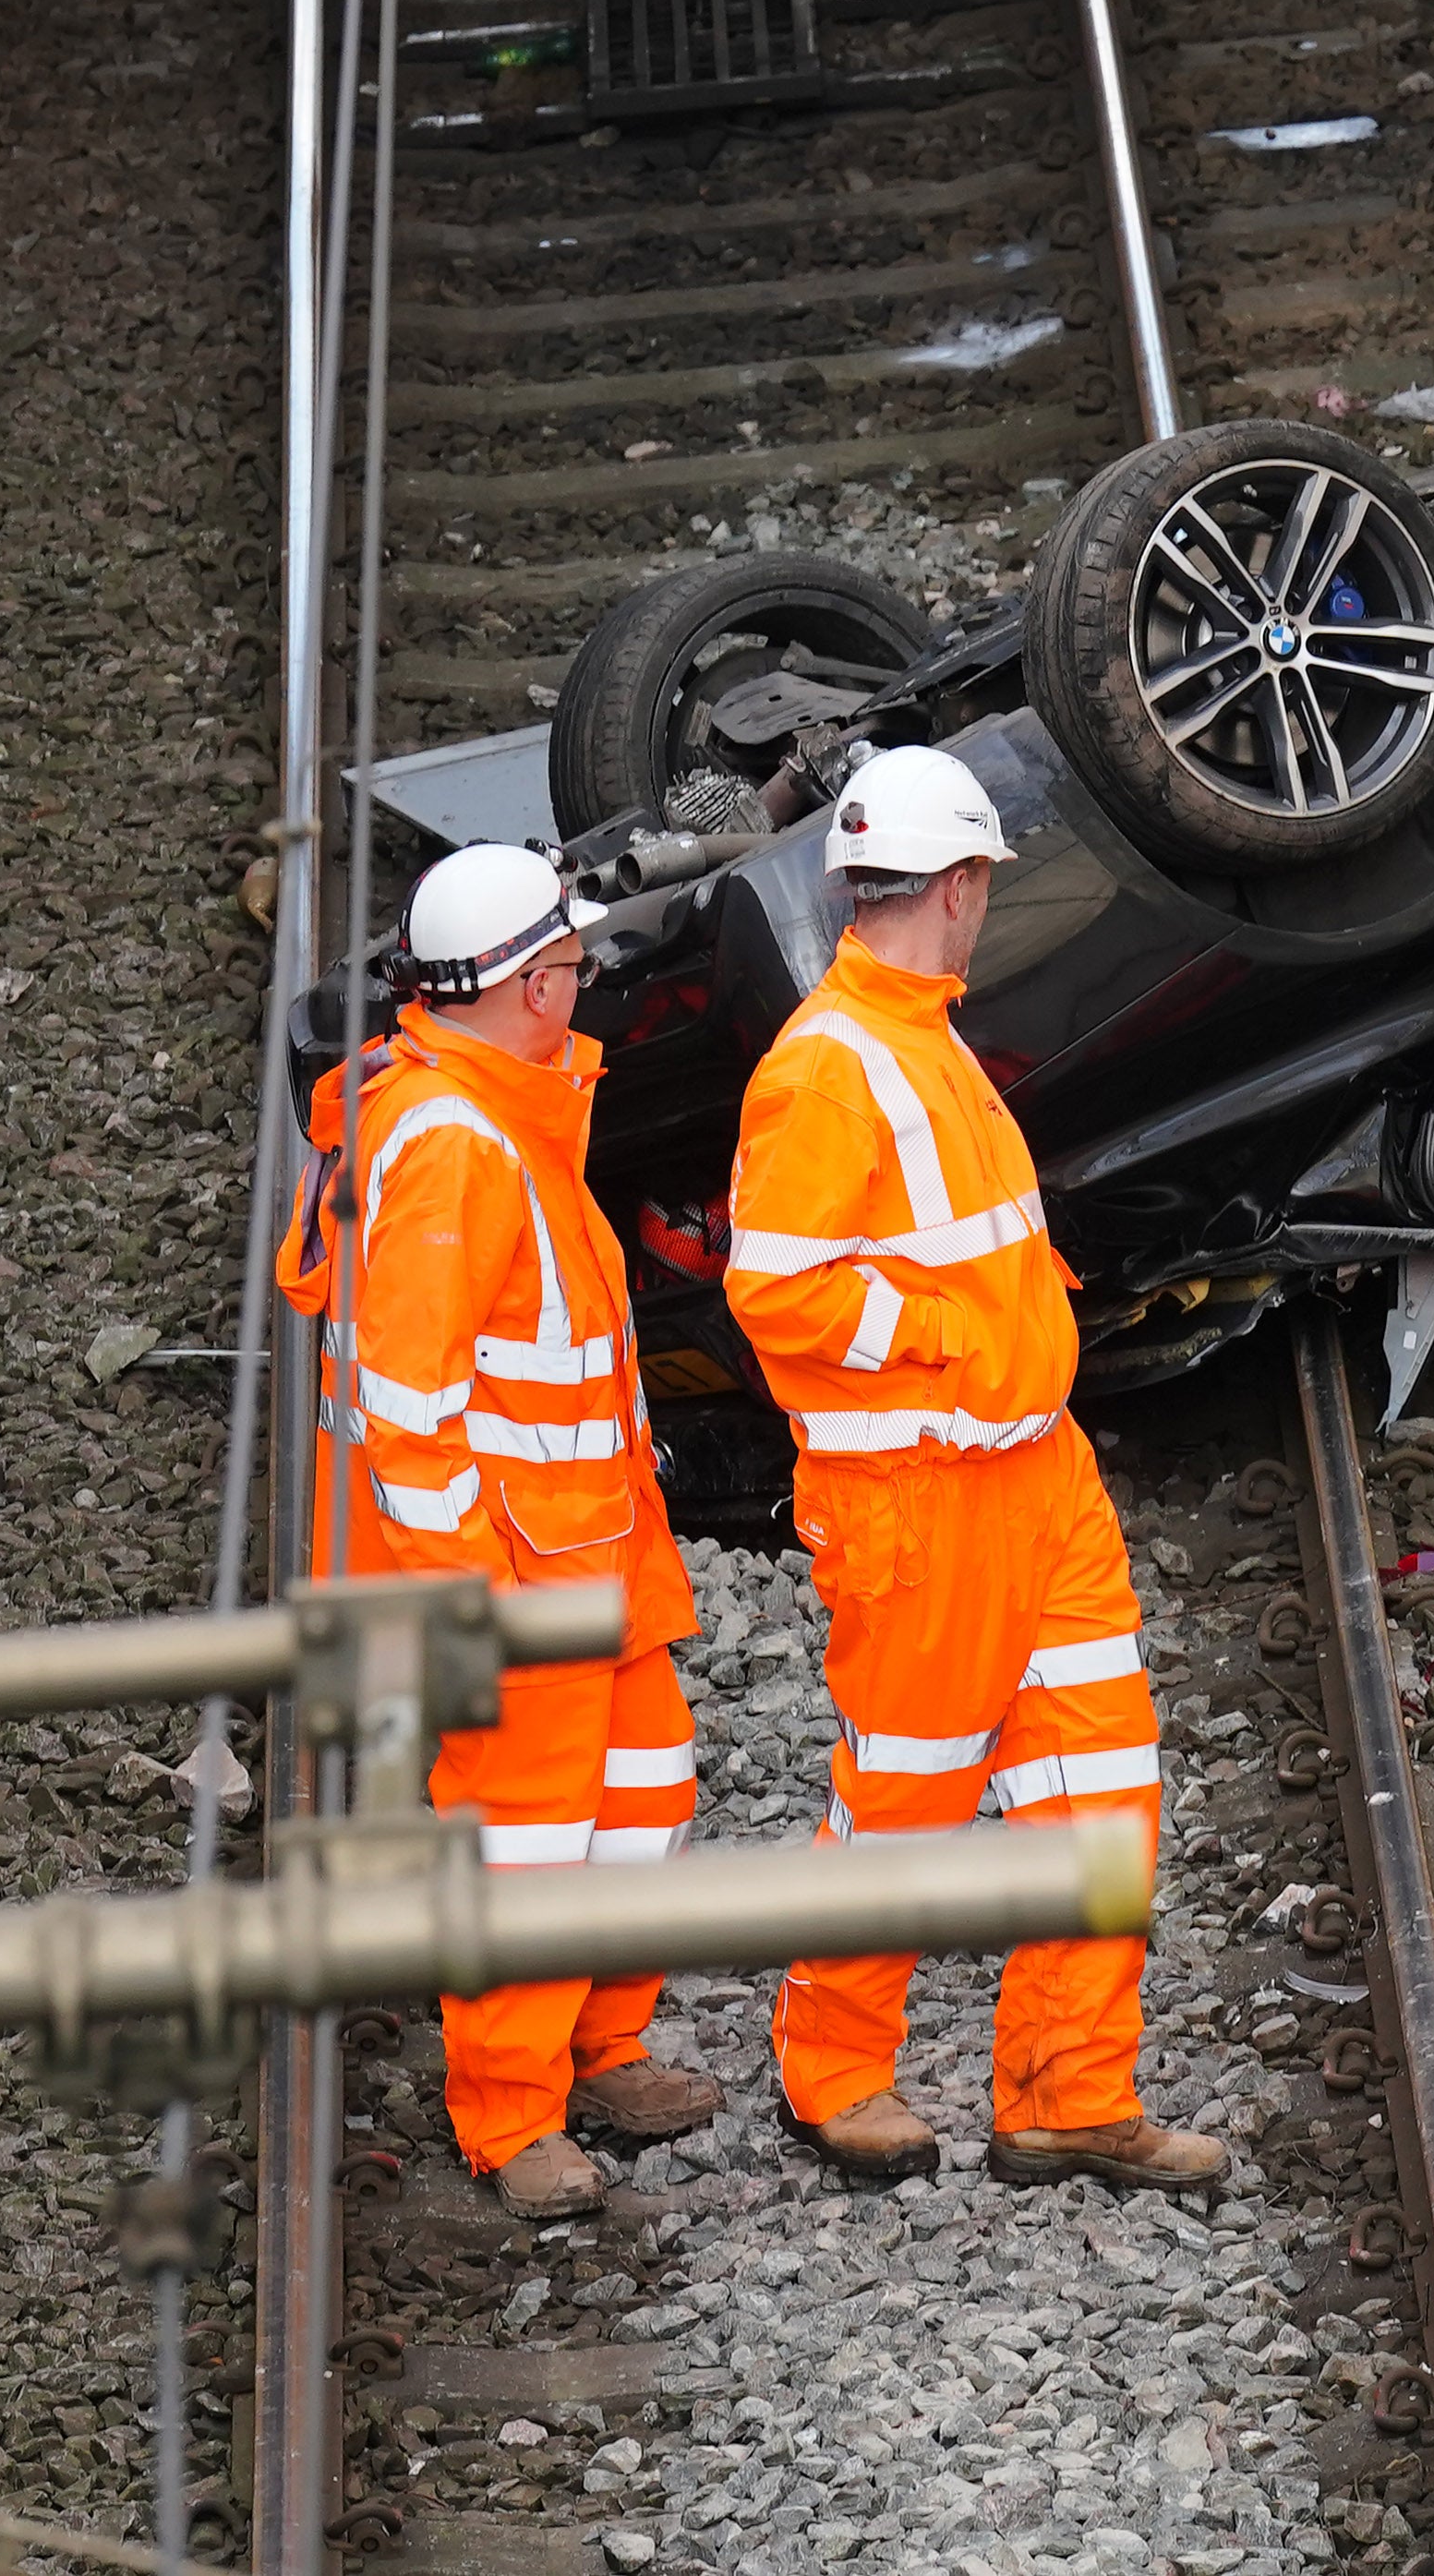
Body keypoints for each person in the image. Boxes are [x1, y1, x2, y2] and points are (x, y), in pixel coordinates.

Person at [723, 744, 1221, 2191]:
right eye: (986, 883)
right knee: (911, 1799)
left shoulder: (919, 1034)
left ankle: (1070, 2092)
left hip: (1031, 1480)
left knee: (1098, 1774)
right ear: (956, 884)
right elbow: (782, 1288)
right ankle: (830, 2076)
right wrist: (953, 1339)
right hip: (925, 1503)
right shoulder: (830, 1067)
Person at [279, 843, 718, 2217]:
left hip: (590, 1547)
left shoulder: (494, 1111)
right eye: (574, 970)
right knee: (524, 1843)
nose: (584, 992)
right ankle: (512, 2114)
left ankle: (601, 2045)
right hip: (517, 1569)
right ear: (533, 984)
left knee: (644, 1797)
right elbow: (406, 1411)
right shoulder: (458, 1149)